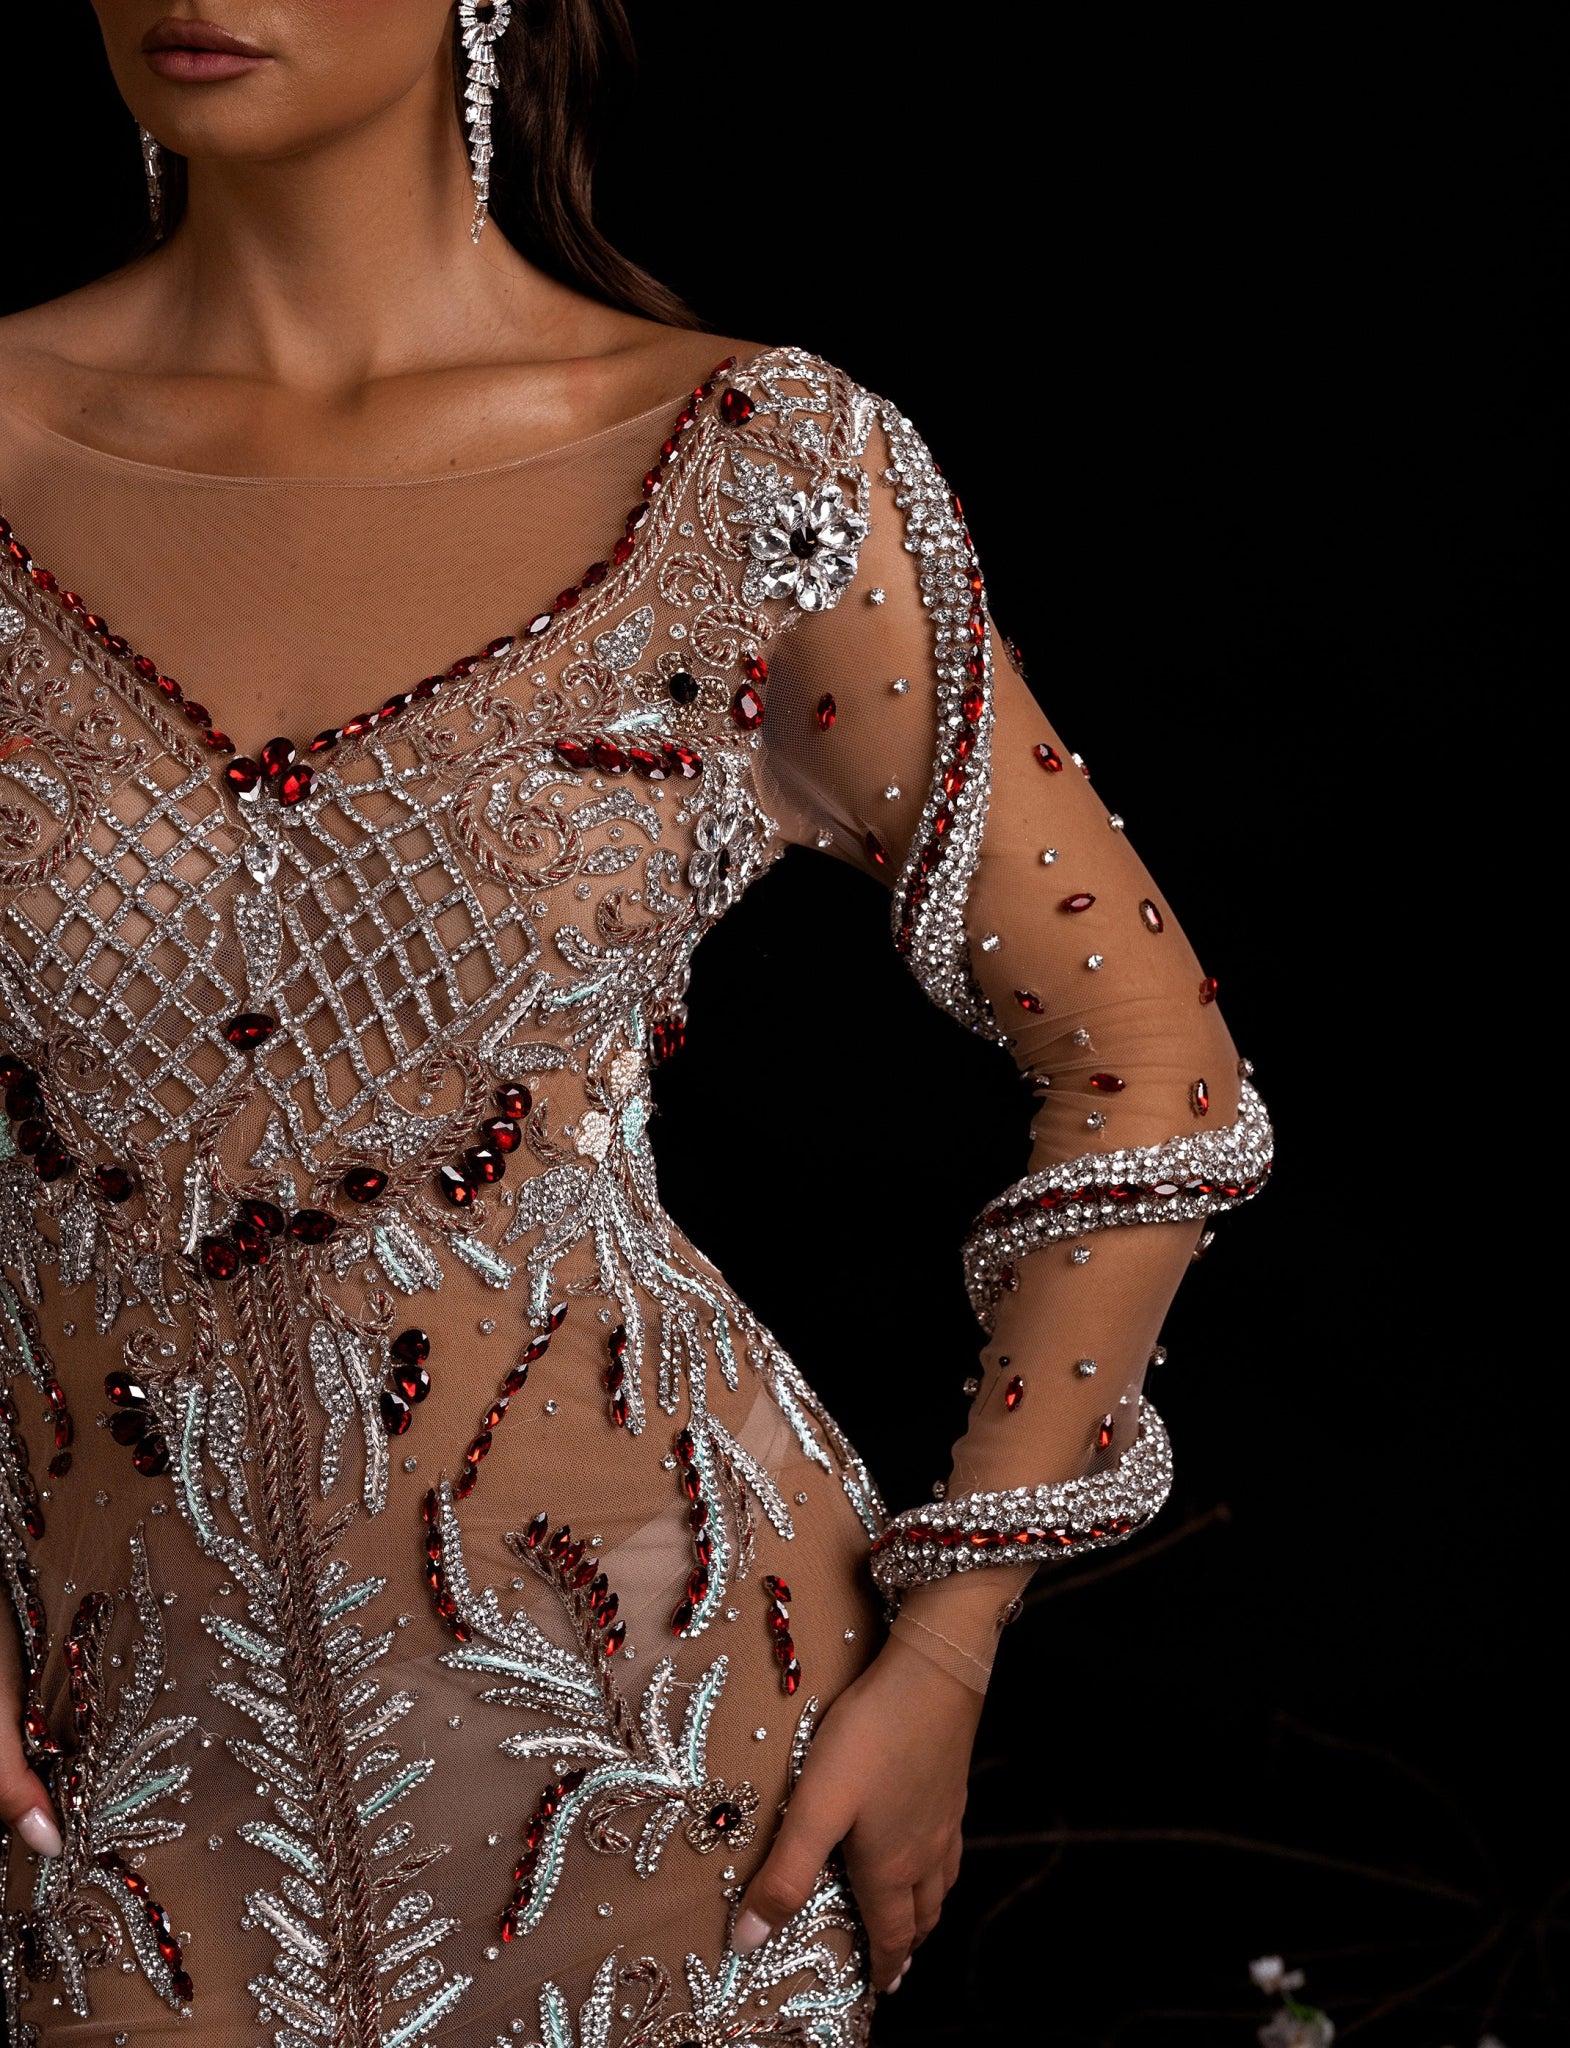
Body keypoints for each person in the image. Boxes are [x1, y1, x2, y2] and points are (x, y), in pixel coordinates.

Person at [0, 5, 1271, 2042]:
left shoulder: (755, 473)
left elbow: (1145, 1066)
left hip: (668, 1736)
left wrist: (946, 1644)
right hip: (108, 1752)